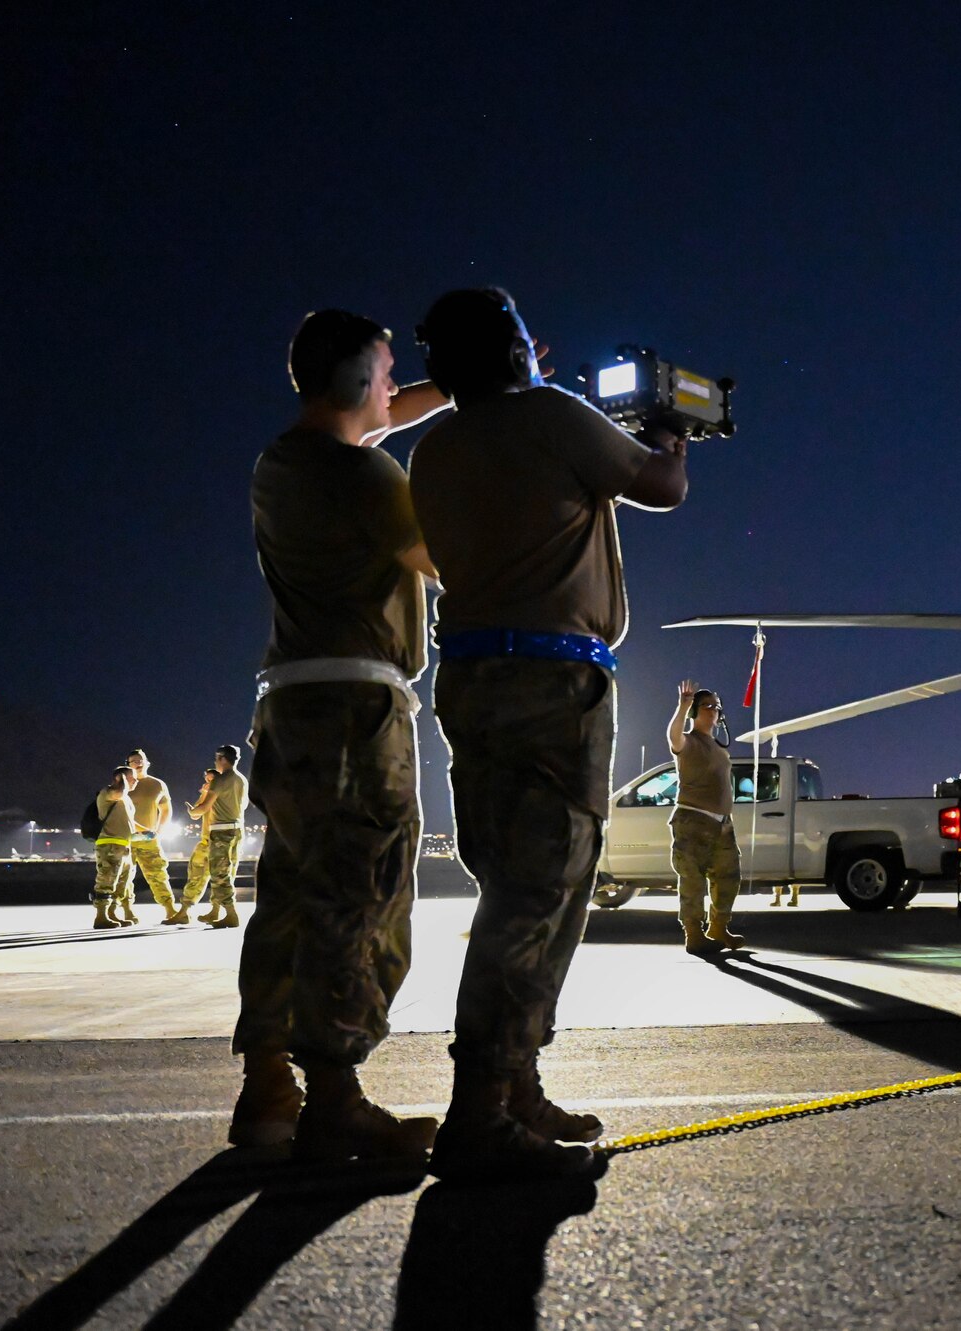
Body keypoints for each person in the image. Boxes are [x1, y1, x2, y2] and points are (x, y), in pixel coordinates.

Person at [409, 286, 689, 1181]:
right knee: (538, 895)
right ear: (518, 349)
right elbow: (662, 488)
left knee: (521, 887)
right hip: (552, 684)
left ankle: (516, 1083)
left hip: (473, 678)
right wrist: (672, 434)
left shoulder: (435, 445)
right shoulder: (553, 416)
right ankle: (482, 1111)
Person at [229, 307, 452, 1157]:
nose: (399, 387)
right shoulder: (367, 480)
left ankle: (268, 1092)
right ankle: (336, 1096)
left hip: (287, 707)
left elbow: (384, 415)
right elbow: (445, 556)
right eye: (389, 372)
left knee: (288, 900)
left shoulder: (280, 464)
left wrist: (458, 390)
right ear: (357, 382)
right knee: (363, 895)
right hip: (358, 714)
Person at [667, 681, 747, 954]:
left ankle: (718, 927)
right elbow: (674, 737)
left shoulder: (716, 745)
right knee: (693, 879)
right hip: (694, 821)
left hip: (722, 824)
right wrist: (682, 707)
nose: (714, 711)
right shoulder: (689, 742)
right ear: (695, 712)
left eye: (717, 706)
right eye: (708, 706)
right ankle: (693, 934)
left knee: (728, 876)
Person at [180, 746, 249, 929]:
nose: (215, 762)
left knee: (219, 874)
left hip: (220, 831)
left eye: (217, 759)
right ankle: (215, 911)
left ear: (222, 759)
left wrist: (192, 810)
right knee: (229, 871)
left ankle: (231, 914)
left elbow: (204, 808)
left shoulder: (220, 780)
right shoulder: (241, 779)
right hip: (237, 829)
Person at [120, 749, 181, 926]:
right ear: (127, 764)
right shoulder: (123, 784)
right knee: (124, 876)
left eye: (140, 760)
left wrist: (159, 831)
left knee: (158, 874)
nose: (137, 763)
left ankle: (170, 909)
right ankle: (127, 910)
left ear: (147, 762)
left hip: (149, 839)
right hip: (126, 838)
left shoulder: (157, 784)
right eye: (133, 761)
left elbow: (166, 809)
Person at [90, 766, 142, 928]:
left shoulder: (126, 799)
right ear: (120, 779)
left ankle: (112, 913)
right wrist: (122, 781)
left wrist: (147, 832)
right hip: (109, 844)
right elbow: (119, 792)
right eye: (131, 777)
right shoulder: (108, 793)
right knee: (106, 880)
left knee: (122, 883)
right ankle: (101, 916)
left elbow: (129, 822)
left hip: (125, 846)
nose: (135, 780)